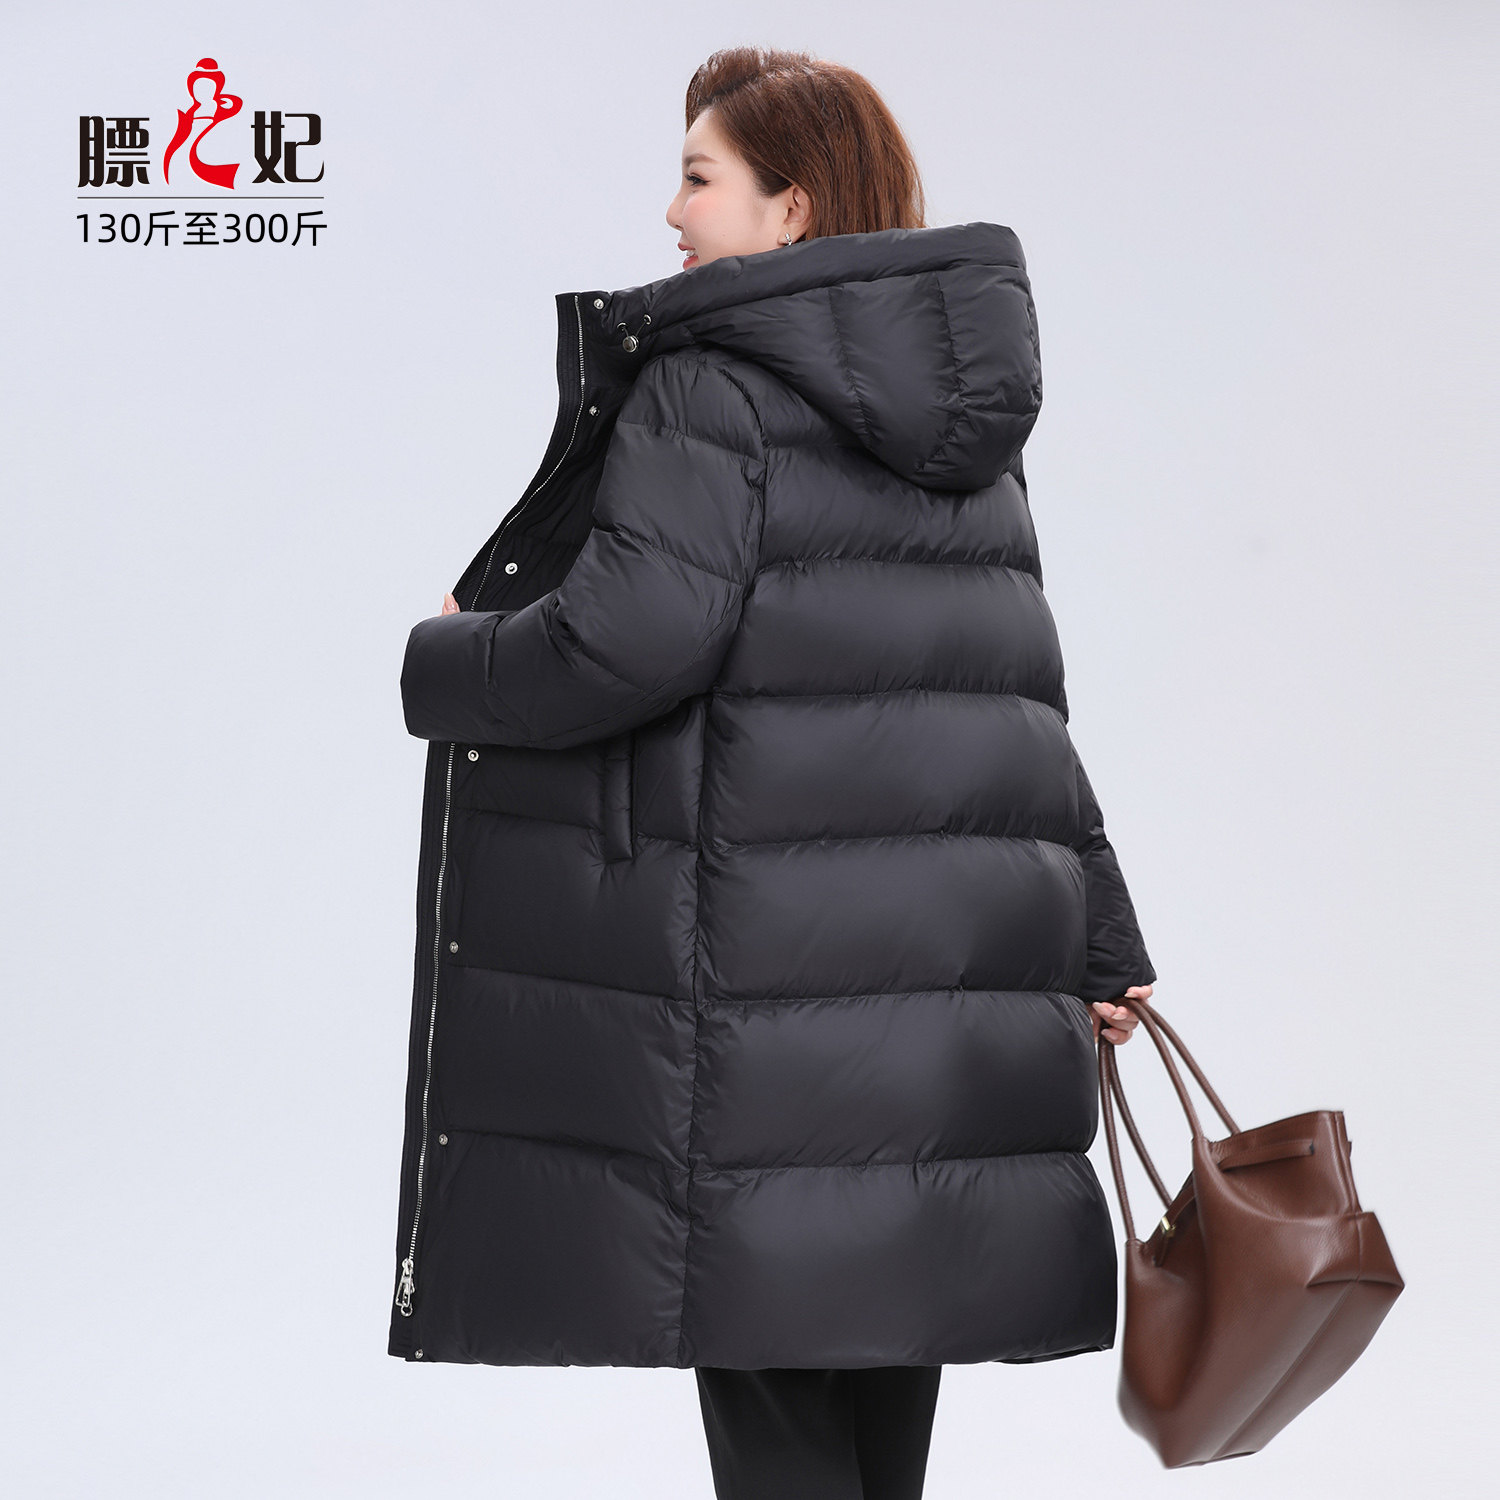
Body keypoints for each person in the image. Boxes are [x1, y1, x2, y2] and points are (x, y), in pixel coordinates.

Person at [392, 45, 1154, 1500]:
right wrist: (1102, 940)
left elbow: (627, 642)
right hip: (939, 1021)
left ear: (791, 207)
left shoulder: (712, 389)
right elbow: (1019, 706)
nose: (672, 214)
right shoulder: (970, 442)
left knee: (781, 1427)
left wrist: (453, 657)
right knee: (874, 1417)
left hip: (767, 1019)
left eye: (699, 177)